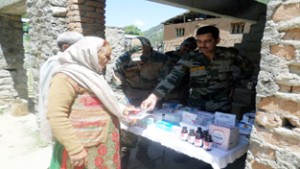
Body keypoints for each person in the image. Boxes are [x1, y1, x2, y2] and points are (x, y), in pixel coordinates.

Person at [46, 37, 137, 169]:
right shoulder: (65, 77)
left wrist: (122, 109)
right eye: (107, 55)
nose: (109, 60)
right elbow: (56, 115)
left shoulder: (93, 76)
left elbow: (104, 100)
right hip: (84, 147)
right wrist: (74, 149)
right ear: (91, 53)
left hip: (104, 144)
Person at [141, 25, 254, 114]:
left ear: (217, 40)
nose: (202, 45)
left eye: (207, 41)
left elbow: (248, 69)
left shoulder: (230, 54)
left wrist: (235, 82)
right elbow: (173, 77)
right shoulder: (190, 57)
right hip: (196, 104)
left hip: (222, 105)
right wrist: (154, 96)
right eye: (199, 41)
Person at [112, 37, 169, 169]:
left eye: (144, 56)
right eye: (137, 57)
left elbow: (164, 83)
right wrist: (124, 104)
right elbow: (116, 88)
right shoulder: (122, 61)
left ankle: (143, 152)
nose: (141, 61)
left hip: (152, 99)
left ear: (150, 50)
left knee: (148, 129)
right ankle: (124, 155)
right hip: (130, 99)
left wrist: (155, 97)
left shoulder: (162, 59)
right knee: (128, 131)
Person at [38, 32, 84, 143]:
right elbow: (48, 94)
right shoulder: (55, 64)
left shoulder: (66, 63)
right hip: (58, 119)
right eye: (81, 47)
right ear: (66, 47)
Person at [162, 37, 197, 104]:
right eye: (186, 45)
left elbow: (198, 78)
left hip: (180, 96)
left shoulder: (194, 61)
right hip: (163, 92)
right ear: (181, 44)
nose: (188, 48)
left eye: (191, 48)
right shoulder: (168, 55)